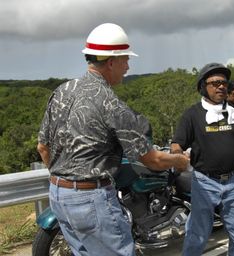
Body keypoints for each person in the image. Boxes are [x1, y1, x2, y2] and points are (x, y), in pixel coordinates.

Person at [36, 23, 189, 256]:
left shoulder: (62, 91)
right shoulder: (112, 105)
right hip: (91, 200)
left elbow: (43, 147)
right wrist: (179, 161)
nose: (127, 67)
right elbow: (153, 161)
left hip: (58, 196)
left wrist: (67, 183)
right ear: (111, 62)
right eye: (125, 60)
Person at [170, 63, 234, 256]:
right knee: (198, 234)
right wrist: (178, 155)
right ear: (203, 86)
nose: (221, 86)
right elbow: (177, 144)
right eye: (215, 83)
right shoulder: (192, 115)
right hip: (204, 182)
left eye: (224, 83)